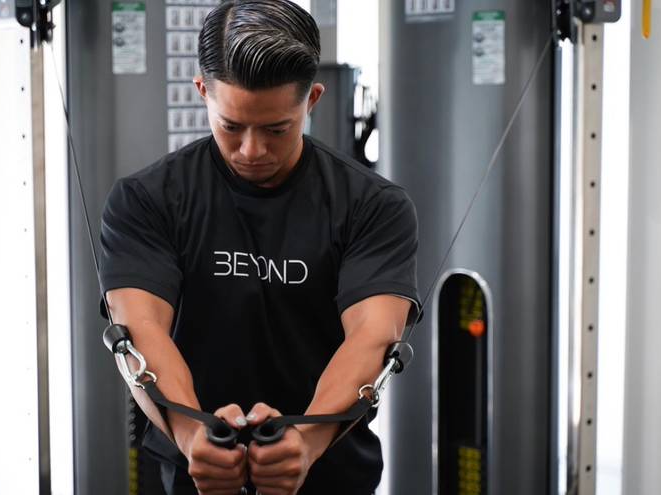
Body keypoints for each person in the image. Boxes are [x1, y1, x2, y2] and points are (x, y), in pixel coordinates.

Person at [99, 1, 420, 493]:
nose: (252, 150)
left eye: (276, 129)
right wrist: (191, 434)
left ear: (311, 100)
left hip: (332, 474)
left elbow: (373, 335)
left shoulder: (374, 206)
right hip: (196, 472)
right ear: (203, 91)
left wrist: (306, 441)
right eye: (231, 126)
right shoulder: (146, 200)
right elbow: (139, 331)